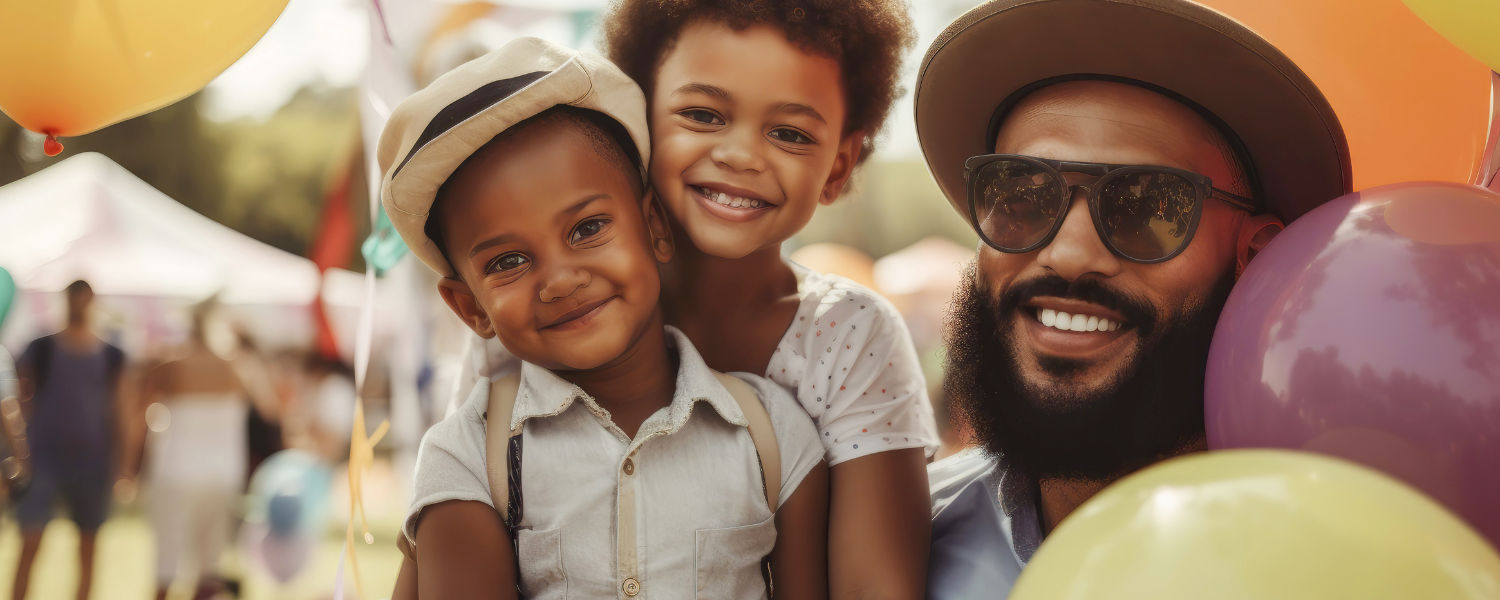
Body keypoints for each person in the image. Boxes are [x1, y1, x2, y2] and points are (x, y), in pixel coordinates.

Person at [445, 3, 940, 595]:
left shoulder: (851, 337)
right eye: (703, 115)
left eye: (789, 133)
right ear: (638, 125)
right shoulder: (538, 320)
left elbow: (875, 590)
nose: (740, 156)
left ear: (839, 165)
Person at [912, 0, 1353, 597]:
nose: (1068, 254)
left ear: (1256, 257)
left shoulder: (1343, 561)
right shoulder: (905, 550)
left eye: (1148, 205)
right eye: (1020, 193)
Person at [381, 38, 828, 599]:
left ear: (655, 227)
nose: (561, 279)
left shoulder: (775, 437)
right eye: (509, 262)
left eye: (587, 228)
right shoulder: (470, 457)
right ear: (471, 308)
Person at [12, 280, 126, 600]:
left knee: (88, 547)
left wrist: (124, 464)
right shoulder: (42, 347)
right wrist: (18, 452)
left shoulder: (111, 353)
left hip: (92, 460)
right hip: (43, 457)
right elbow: (20, 400)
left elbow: (120, 408)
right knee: (30, 541)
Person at [139, 302, 249, 600]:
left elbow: (138, 407)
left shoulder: (172, 366)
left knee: (167, 564)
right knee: (208, 567)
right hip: (223, 475)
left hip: (178, 472)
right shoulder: (235, 368)